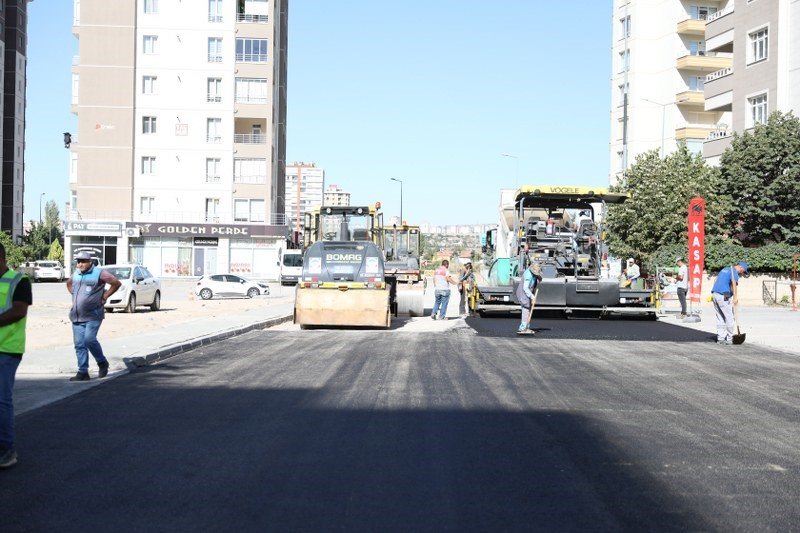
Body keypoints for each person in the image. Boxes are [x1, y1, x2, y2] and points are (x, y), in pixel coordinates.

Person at [0, 243, 32, 469]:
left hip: (7, 349)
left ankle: (6, 450)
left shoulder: (18, 281)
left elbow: (19, 310)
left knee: (2, 400)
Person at [66, 251, 121, 381]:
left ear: (90, 262)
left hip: (93, 314)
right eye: (78, 262)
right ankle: (83, 372)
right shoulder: (76, 274)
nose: (80, 264)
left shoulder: (99, 273)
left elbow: (116, 283)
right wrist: (76, 296)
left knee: (89, 340)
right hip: (77, 315)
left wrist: (105, 296)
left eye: (83, 261)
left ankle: (102, 362)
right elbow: (68, 283)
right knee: (79, 344)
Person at [711, 261, 749, 345]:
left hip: (715, 293)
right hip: (723, 295)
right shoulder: (733, 272)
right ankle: (729, 338)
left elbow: (716, 280)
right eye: (743, 272)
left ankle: (720, 338)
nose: (741, 274)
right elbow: (734, 284)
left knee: (720, 317)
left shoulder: (725, 269)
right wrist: (735, 298)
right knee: (730, 317)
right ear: (741, 268)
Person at [516, 262, 542, 334]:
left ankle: (526, 327)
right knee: (526, 309)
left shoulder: (533, 273)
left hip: (527, 293)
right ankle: (523, 328)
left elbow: (535, 279)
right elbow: (525, 288)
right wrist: (532, 297)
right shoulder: (528, 275)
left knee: (528, 308)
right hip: (523, 293)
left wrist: (538, 278)